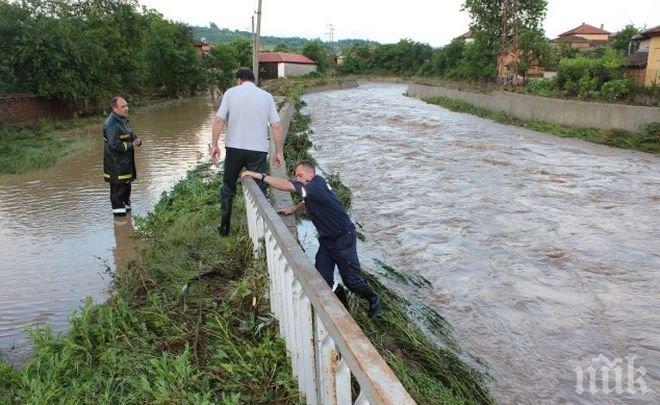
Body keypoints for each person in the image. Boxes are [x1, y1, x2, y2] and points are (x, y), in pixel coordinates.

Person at [241, 161, 381, 317]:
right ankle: (345, 312)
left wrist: (260, 176)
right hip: (327, 240)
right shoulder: (316, 183)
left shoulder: (314, 185)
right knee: (322, 279)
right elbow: (307, 199)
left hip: (343, 239)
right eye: (296, 175)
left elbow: (286, 186)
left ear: (310, 173)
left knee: (352, 281)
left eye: (299, 175)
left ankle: (373, 298)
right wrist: (293, 209)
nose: (297, 178)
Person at [210, 68, 283, 236]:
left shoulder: (230, 93)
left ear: (238, 80)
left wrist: (214, 144)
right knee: (259, 188)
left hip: (234, 149)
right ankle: (261, 231)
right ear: (254, 81)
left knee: (228, 188)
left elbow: (219, 119)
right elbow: (276, 126)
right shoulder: (266, 97)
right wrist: (278, 152)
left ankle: (224, 229)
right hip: (257, 151)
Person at [103, 96, 141, 217]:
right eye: (123, 106)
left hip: (125, 165)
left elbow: (129, 133)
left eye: (126, 105)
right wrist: (132, 145)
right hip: (116, 166)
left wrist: (137, 139)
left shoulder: (122, 119)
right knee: (117, 196)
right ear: (114, 108)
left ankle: (127, 224)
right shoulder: (111, 124)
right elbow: (114, 145)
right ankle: (120, 226)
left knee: (125, 192)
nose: (126, 108)